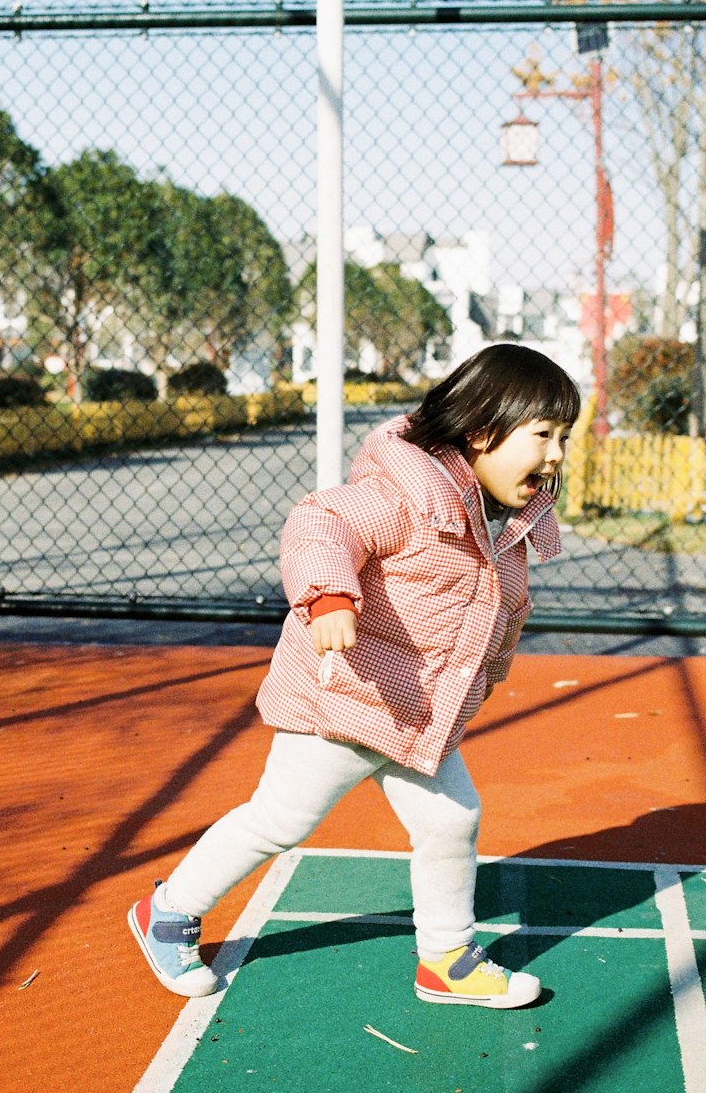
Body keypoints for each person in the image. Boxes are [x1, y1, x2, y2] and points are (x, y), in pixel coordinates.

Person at [129, 344, 580, 1009]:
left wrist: (490, 669)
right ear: (483, 428)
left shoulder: (504, 521)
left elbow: (497, 605)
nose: (557, 454)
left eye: (563, 437)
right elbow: (321, 522)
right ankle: (166, 911)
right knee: (279, 819)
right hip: (343, 700)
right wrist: (329, 596)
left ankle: (447, 958)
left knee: (452, 821)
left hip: (419, 711)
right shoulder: (408, 493)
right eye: (542, 434)